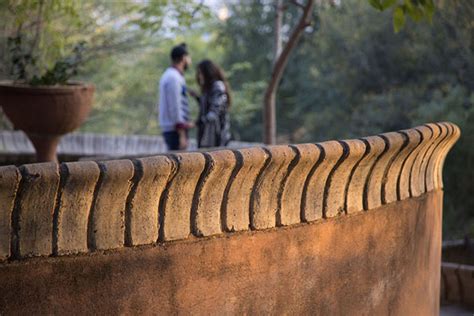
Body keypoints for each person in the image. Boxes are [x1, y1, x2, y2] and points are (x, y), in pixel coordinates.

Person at [158, 43, 193, 150]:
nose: (190, 60)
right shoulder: (173, 77)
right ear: (183, 58)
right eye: (188, 57)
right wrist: (181, 133)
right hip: (175, 130)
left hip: (174, 129)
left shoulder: (173, 75)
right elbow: (175, 106)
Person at [193, 59, 231, 148]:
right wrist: (197, 98)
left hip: (217, 136)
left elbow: (214, 111)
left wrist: (197, 122)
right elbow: (207, 106)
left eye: (200, 73)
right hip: (207, 136)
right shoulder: (207, 88)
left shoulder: (218, 86)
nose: (199, 76)